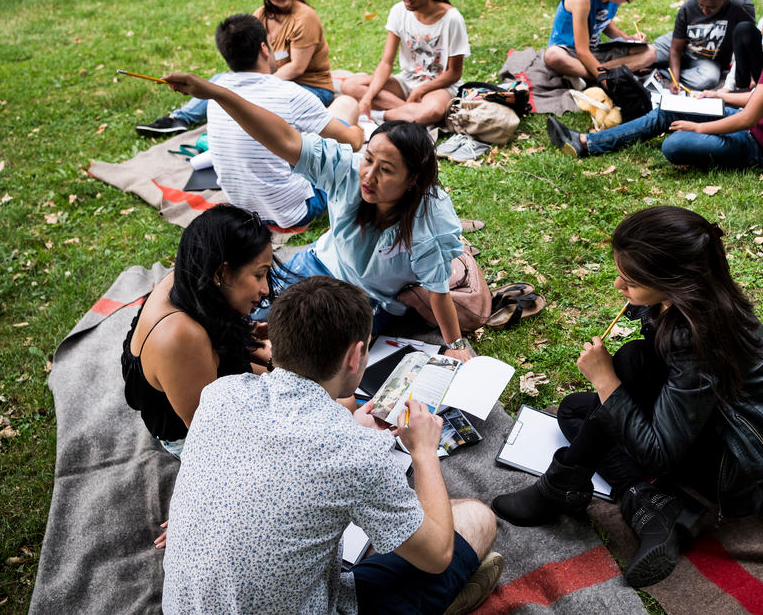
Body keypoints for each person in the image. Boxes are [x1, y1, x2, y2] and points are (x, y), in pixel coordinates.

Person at [491, 206, 763, 587]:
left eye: (630, 279)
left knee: (624, 368)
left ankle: (562, 487)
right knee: (577, 410)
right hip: (713, 418)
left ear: (675, 280)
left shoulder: (698, 335)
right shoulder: (692, 297)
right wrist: (642, 304)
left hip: (736, 461)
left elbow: (659, 453)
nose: (618, 286)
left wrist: (604, 379)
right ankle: (646, 501)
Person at [161, 276, 503, 614]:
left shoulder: (221, 395)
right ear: (356, 356)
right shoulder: (357, 454)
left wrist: (349, 427)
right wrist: (424, 450)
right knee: (475, 518)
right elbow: (436, 556)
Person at [161, 71, 474, 362]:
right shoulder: (346, 169)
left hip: (366, 300)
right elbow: (283, 138)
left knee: (310, 357)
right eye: (369, 159)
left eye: (387, 170)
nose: (369, 175)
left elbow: (438, 292)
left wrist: (456, 346)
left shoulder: (427, 221)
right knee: (231, 316)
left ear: (412, 182)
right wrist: (216, 93)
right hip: (319, 263)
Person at [546, 0, 763, 171]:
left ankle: (589, 143)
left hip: (759, 148)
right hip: (753, 130)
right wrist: (718, 94)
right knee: (670, 110)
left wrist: (698, 127)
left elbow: (750, 117)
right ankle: (586, 143)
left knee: (675, 144)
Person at [121, 204, 276, 458]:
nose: (266, 289)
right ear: (222, 273)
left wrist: (253, 345)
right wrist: (272, 362)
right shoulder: (183, 338)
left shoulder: (189, 279)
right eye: (259, 276)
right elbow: (210, 438)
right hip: (193, 435)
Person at [137, 0, 338, 137]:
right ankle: (178, 119)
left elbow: (297, 68)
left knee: (239, 94)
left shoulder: (305, 18)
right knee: (220, 81)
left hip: (312, 88)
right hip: (272, 80)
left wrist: (255, 86)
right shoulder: (259, 16)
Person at [205, 13, 362, 230]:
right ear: (263, 49)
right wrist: (359, 130)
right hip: (294, 210)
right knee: (347, 104)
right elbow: (350, 142)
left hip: (242, 208)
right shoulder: (290, 95)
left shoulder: (218, 94)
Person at [341, 0, 469, 126]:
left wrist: (421, 89)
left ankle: (383, 115)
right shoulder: (398, 11)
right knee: (350, 86)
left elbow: (454, 73)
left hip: (437, 88)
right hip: (406, 82)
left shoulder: (452, 19)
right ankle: (410, 113)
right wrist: (367, 98)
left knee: (433, 111)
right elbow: (386, 63)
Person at [543, 0, 654, 82]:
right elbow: (582, 51)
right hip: (570, 52)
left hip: (594, 51)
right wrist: (605, 81)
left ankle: (586, 74)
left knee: (650, 52)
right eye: (629, 0)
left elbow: (604, 23)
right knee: (552, 56)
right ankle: (605, 76)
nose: (628, 2)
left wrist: (628, 39)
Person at [649, 0, 755, 93]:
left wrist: (676, 79)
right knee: (648, 53)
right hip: (682, 45)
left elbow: (748, 41)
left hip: (707, 60)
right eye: (701, 5)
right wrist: (675, 79)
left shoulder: (741, 7)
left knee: (708, 79)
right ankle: (668, 69)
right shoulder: (688, 7)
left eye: (712, 7)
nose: (705, 11)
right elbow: (675, 49)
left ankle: (663, 71)